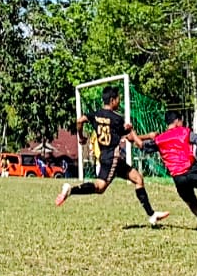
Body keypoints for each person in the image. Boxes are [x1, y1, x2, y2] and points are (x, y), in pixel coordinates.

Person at [55, 85, 169, 227]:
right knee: (100, 187)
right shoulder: (117, 119)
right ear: (112, 100)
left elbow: (79, 120)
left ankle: (151, 215)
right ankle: (70, 190)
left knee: (138, 179)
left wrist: (81, 136)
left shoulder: (95, 114)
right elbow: (131, 138)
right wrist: (133, 131)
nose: (119, 101)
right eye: (118, 99)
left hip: (106, 157)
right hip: (112, 158)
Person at [139, 113, 197, 232]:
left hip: (178, 177)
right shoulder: (183, 131)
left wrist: (138, 136)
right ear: (177, 121)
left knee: (192, 204)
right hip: (192, 170)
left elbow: (142, 146)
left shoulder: (160, 139)